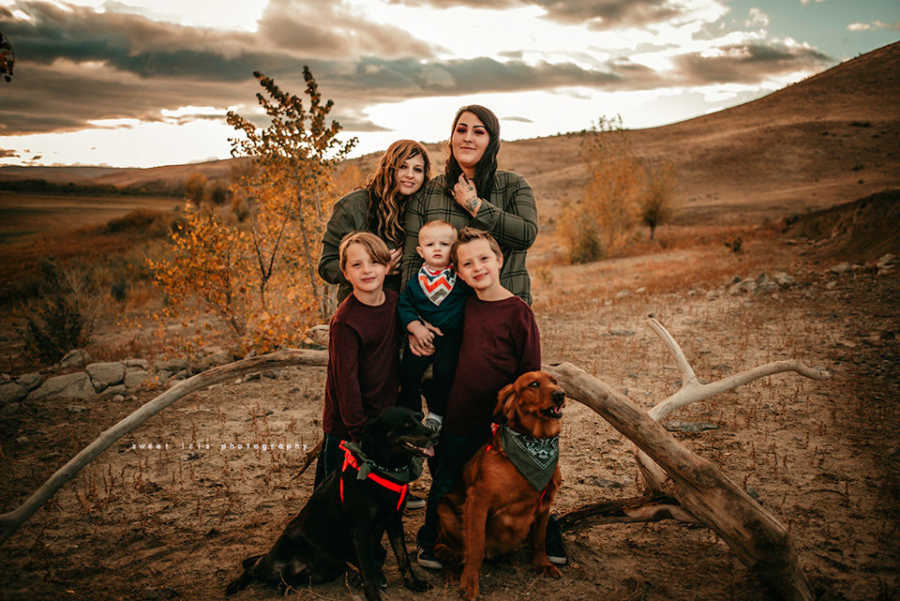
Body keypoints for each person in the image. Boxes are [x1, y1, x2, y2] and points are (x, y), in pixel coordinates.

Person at [414, 228, 567, 569]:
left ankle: (546, 536)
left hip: (502, 421)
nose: (478, 267)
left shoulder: (518, 312)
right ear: (458, 272)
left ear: (499, 260)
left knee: (527, 477)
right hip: (460, 414)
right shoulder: (462, 308)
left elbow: (530, 374)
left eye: (484, 259)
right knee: (447, 477)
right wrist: (414, 329)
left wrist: (523, 418)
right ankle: (431, 540)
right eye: (467, 263)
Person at [401, 105, 537, 327]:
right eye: (461, 130)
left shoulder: (514, 186)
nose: (468, 138)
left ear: (492, 142)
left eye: (479, 132)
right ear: (452, 138)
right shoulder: (429, 192)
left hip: (504, 314)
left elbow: (526, 235)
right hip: (444, 321)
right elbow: (412, 260)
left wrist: (476, 206)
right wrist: (414, 323)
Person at [314, 232, 401, 488]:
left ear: (387, 266)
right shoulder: (345, 322)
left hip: (381, 415)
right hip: (348, 425)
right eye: (356, 265)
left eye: (374, 262)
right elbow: (346, 383)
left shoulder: (395, 303)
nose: (367, 270)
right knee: (336, 494)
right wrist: (358, 432)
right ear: (345, 272)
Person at [320, 139, 431, 303]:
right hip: (360, 308)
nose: (410, 175)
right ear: (389, 168)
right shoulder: (352, 206)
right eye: (402, 167)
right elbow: (327, 266)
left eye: (418, 169)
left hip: (407, 309)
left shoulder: (422, 211)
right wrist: (376, 267)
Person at [397, 220, 469, 434]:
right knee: (408, 371)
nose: (437, 248)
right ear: (420, 251)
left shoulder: (460, 278)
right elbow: (404, 304)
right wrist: (415, 327)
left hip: (451, 337)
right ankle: (412, 414)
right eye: (430, 245)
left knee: (445, 372)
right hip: (423, 335)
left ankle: (437, 413)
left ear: (454, 249)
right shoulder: (417, 280)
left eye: (444, 244)